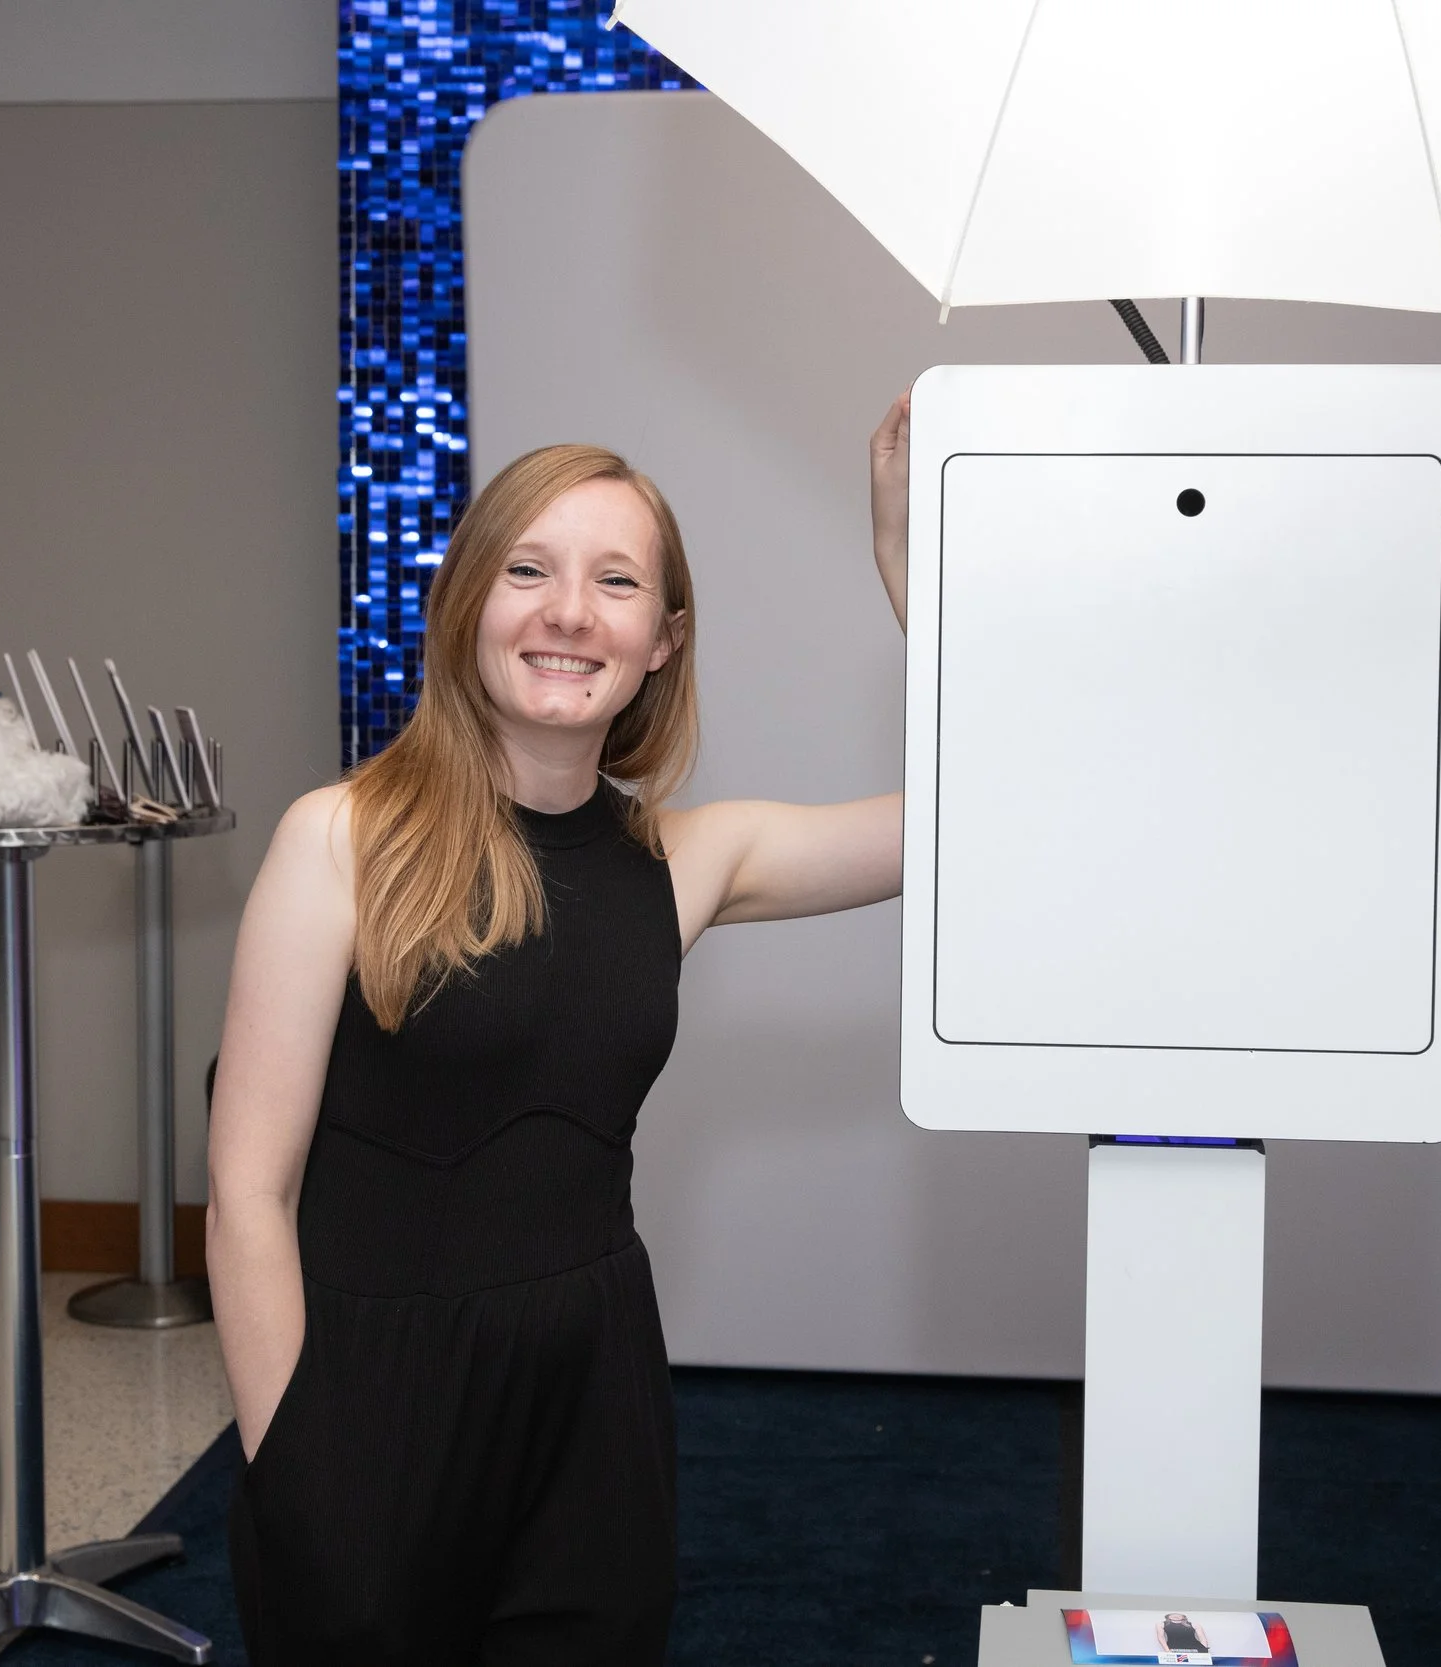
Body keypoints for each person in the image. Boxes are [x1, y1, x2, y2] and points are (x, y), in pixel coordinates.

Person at [205, 395, 914, 1665]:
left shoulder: (686, 860)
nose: (569, 611)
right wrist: (292, 1464)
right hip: (369, 1399)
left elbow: (983, 801)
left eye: (616, 581)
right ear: (467, 603)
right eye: (527, 569)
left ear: (661, 640)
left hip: (595, 1399)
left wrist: (904, 558)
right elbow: (246, 1191)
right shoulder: (340, 838)